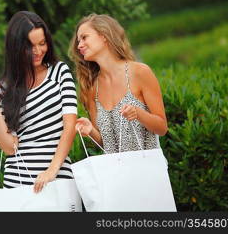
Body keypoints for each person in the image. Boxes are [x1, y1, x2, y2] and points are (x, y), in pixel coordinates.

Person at [0, 11, 77, 193]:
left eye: (42, 43)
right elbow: (9, 147)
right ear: (15, 47)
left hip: (57, 179)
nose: (38, 51)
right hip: (17, 184)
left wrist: (52, 170)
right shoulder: (4, 88)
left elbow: (69, 126)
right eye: (30, 46)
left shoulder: (59, 72)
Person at [69, 13, 168, 153]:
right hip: (116, 173)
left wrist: (138, 114)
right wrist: (90, 130)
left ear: (104, 36)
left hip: (147, 170)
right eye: (78, 41)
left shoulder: (140, 72)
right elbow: (107, 142)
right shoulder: (92, 89)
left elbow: (162, 127)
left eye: (84, 37)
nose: (79, 45)